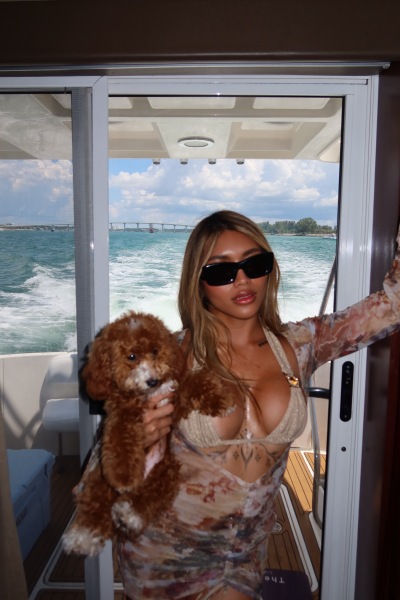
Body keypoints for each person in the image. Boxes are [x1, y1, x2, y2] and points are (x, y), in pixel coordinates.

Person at [117, 210, 400, 600]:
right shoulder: (165, 359)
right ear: (198, 282)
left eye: (255, 264)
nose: (242, 280)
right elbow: (108, 468)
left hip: (243, 558)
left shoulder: (302, 345)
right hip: (164, 560)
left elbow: (391, 307)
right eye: (221, 271)